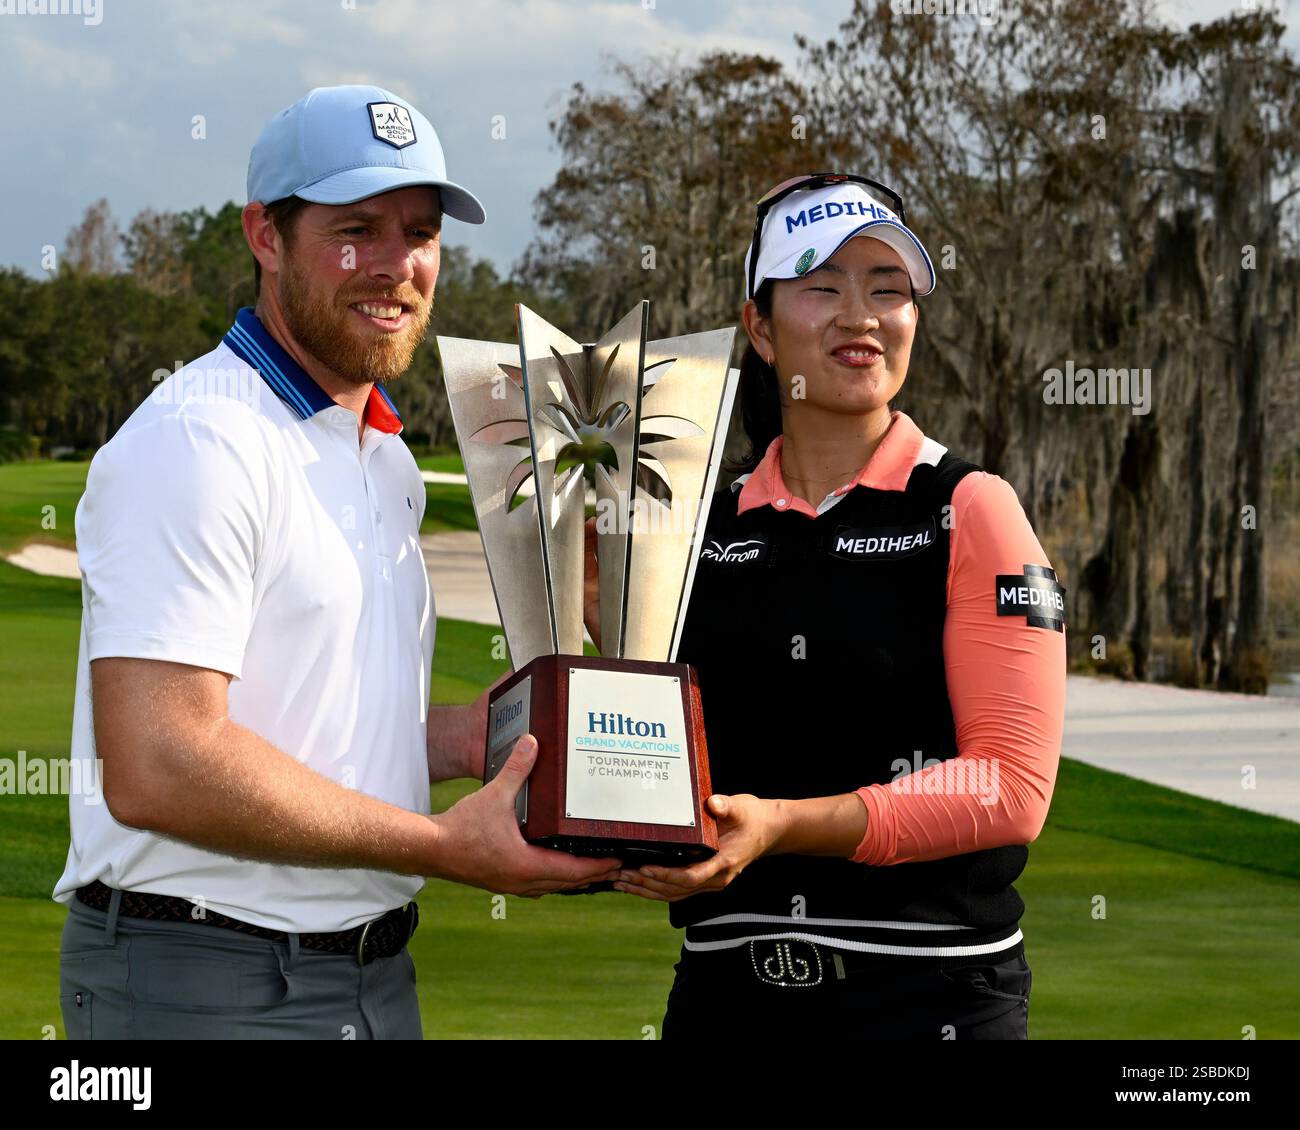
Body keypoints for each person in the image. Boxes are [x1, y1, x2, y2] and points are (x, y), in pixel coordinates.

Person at [54, 85, 619, 1041]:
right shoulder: (200, 438)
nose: (397, 266)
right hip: (199, 979)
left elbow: (338, 732)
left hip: (371, 977)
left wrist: (505, 735)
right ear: (264, 236)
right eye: (355, 230)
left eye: (421, 232)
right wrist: (441, 847)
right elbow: (158, 762)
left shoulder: (383, 458)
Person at [605, 174, 1067, 1039]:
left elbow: (1010, 790)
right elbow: (653, 759)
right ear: (759, 327)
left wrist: (783, 827)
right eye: (822, 287)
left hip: (930, 1001)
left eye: (887, 289)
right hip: (725, 997)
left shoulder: (971, 509)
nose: (861, 314)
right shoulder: (693, 526)